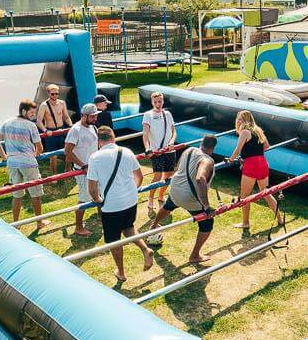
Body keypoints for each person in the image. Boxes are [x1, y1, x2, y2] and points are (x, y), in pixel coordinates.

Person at [87, 126, 154, 282]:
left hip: (111, 205)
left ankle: (121, 272)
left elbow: (92, 187)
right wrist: (130, 192)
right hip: (130, 200)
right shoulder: (127, 152)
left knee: (113, 240)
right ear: (113, 137)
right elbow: (139, 177)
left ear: (99, 142)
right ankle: (145, 249)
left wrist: (98, 200)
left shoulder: (95, 158)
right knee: (128, 227)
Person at [148, 135, 217, 264]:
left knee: (168, 206)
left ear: (201, 143)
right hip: (190, 198)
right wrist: (206, 206)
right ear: (212, 148)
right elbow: (200, 178)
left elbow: (178, 167)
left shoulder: (189, 150)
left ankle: (154, 225)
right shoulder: (207, 160)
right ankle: (195, 255)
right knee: (207, 224)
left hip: (175, 189)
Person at [0, 99, 51, 231]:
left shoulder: (7, 122)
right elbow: (40, 147)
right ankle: (39, 222)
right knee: (35, 193)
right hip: (28, 163)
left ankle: (16, 224)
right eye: (31, 112)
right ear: (23, 111)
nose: (33, 115)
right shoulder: (31, 126)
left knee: (17, 195)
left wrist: (5, 157)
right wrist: (34, 155)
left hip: (12, 164)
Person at [227, 110, 283, 229]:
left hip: (252, 165)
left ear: (244, 120)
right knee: (266, 193)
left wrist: (231, 159)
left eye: (240, 119)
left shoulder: (245, 132)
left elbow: (238, 149)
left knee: (245, 196)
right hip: (262, 162)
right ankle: (280, 219)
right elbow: (267, 146)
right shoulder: (258, 130)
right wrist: (255, 152)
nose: (238, 121)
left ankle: (245, 223)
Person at [64, 103, 100, 236]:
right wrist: (83, 165)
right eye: (92, 116)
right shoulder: (75, 130)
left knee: (99, 193)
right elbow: (67, 152)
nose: (95, 118)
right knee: (84, 198)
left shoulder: (93, 127)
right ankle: (78, 227)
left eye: (96, 116)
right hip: (82, 171)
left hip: (95, 168)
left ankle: (101, 217)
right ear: (84, 116)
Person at [142, 91, 177, 211]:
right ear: (152, 102)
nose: (158, 104)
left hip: (169, 150)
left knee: (169, 175)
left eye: (160, 101)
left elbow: (173, 131)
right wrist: (147, 148)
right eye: (155, 102)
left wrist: (172, 142)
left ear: (163, 101)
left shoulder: (167, 114)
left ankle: (161, 194)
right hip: (156, 151)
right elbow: (145, 134)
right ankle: (151, 197)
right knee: (157, 176)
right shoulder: (148, 115)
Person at [36, 84, 73, 177]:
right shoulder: (44, 105)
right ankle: (54, 175)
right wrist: (45, 130)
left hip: (61, 130)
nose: (55, 96)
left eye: (57, 94)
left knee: (69, 151)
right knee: (53, 156)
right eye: (53, 94)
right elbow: (39, 121)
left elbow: (66, 117)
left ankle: (68, 169)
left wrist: (71, 126)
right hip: (50, 132)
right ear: (48, 94)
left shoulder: (62, 103)